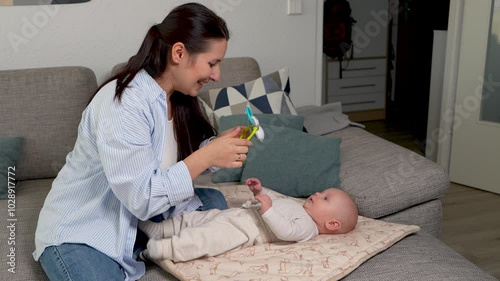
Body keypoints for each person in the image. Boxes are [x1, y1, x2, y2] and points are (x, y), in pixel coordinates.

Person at [33, 3, 252, 280]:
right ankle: (139, 244)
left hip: (135, 218)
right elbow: (142, 197)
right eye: (212, 63)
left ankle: (142, 241)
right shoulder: (125, 103)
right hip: (85, 228)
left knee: (215, 201)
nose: (217, 75)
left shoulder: (176, 97)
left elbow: (170, 160)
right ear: (179, 53)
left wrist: (213, 149)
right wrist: (206, 158)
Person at [139, 178, 359, 262]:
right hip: (236, 215)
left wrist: (268, 211)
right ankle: (161, 229)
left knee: (203, 238)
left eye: (325, 198)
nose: (317, 194)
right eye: (321, 192)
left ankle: (163, 249)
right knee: (194, 218)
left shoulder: (308, 228)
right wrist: (260, 192)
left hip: (243, 232)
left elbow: (286, 231)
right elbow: (272, 201)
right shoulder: (296, 205)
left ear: (332, 224)